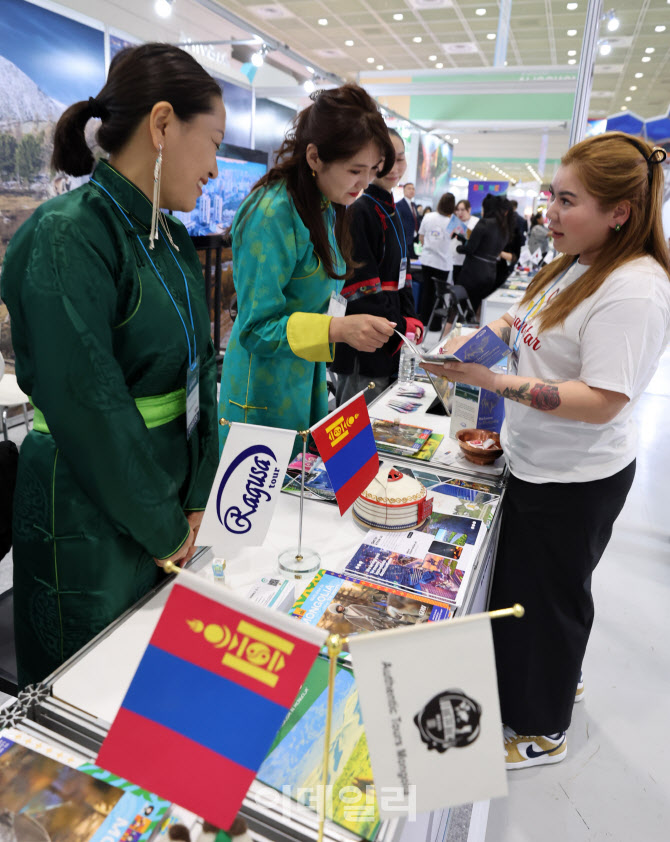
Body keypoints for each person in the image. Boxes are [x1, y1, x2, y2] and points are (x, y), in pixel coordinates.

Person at [424, 132, 670, 769]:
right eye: (551, 197)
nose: (550, 213)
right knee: (535, 591)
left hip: (575, 477)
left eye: (568, 200)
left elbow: (602, 400)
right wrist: (475, 343)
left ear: (620, 212)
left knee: (549, 599)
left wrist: (494, 381)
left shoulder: (634, 290)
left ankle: (541, 728)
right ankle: (555, 678)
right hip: (536, 460)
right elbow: (520, 319)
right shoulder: (577, 259)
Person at [0, 44, 225, 687]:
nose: (214, 166)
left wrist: (195, 492)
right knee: (89, 690)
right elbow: (88, 403)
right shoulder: (65, 234)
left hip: (167, 502)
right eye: (210, 142)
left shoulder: (171, 239)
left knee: (153, 682)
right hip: (86, 509)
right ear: (161, 125)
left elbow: (200, 374)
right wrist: (162, 523)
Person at [219, 85, 396, 451]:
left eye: (372, 171)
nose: (364, 183)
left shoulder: (323, 205)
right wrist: (337, 328)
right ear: (315, 157)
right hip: (262, 392)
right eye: (355, 170)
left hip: (303, 376)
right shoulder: (272, 212)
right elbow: (254, 328)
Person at [332, 130, 423, 404]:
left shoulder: (389, 207)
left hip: (388, 331)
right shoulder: (361, 210)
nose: (394, 168)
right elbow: (360, 288)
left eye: (401, 159)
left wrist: (408, 317)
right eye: (386, 160)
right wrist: (402, 323)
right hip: (366, 340)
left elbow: (402, 274)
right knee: (356, 426)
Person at [455, 193, 512, 312]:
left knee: (460, 307)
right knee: (476, 308)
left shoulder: (484, 223)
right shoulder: (505, 228)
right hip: (490, 273)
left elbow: (471, 249)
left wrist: (459, 248)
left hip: (473, 272)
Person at [418, 192, 456, 330]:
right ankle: (435, 326)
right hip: (442, 263)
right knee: (440, 296)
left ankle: (424, 322)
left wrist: (428, 247)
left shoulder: (428, 216)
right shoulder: (452, 221)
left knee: (426, 292)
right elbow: (466, 234)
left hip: (427, 260)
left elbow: (421, 236)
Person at [450, 199, 479, 284]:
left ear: (469, 210)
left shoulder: (476, 221)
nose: (460, 213)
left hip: (469, 262)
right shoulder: (453, 221)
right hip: (454, 260)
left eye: (462, 210)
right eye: (457, 210)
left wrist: (462, 233)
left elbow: (475, 239)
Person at [396, 181, 420, 259]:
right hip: (405, 239)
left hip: (414, 239)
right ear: (404, 191)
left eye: (413, 189)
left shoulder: (414, 205)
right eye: (409, 189)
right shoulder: (399, 205)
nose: (411, 190)